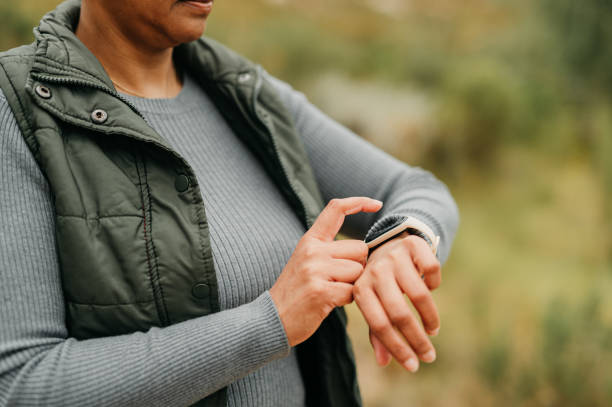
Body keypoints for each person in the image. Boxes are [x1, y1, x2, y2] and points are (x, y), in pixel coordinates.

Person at [0, 0, 459, 405]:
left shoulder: (245, 95)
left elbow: (417, 188)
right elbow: (21, 384)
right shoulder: (17, 110)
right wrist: (271, 321)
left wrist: (403, 237)